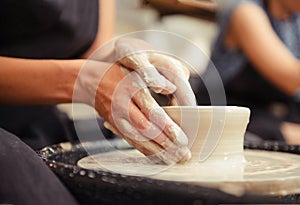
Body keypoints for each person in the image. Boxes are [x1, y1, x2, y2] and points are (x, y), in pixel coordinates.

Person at [0, 0, 196, 204]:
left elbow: (92, 51)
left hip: (41, 121)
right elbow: (86, 74)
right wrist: (81, 81)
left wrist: (126, 55)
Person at [196, 0, 300, 144]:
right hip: (226, 111)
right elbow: (290, 78)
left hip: (266, 111)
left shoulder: (294, 21)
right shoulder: (246, 10)